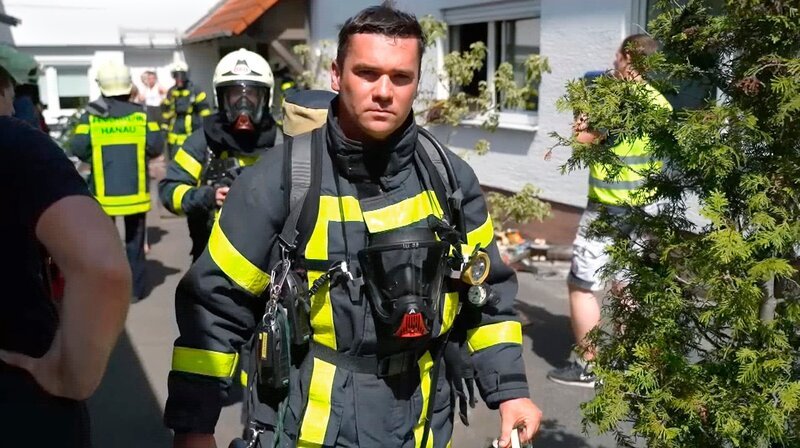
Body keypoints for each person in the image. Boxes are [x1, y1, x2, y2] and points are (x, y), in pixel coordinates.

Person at [163, 4, 541, 448]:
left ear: (417, 82)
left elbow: (486, 297)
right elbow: (214, 306)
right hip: (304, 429)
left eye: (400, 77)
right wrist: (194, 427)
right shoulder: (280, 180)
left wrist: (512, 391)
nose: (384, 91)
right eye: (367, 73)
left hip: (421, 428)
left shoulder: (449, 179)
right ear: (336, 76)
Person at [0, 63, 131, 447]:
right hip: (18, 401)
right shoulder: (12, 143)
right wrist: (69, 378)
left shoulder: (91, 117)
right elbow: (102, 268)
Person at [546, 34, 673, 388]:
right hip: (645, 208)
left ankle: (589, 369)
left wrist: (582, 114)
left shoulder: (616, 103)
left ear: (627, 58)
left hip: (609, 209)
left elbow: (582, 142)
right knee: (626, 284)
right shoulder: (659, 102)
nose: (612, 61)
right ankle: (632, 362)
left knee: (581, 284)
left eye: (617, 55)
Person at [158, 48, 279, 262]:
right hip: (211, 265)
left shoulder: (281, 142)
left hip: (270, 266)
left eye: (251, 95)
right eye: (235, 95)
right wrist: (208, 196)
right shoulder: (202, 142)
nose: (243, 105)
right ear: (221, 98)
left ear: (265, 98)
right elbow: (169, 191)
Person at [68, 60, 164, 300]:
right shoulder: (142, 115)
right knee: (135, 246)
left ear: (101, 86)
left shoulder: (91, 116)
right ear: (128, 86)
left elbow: (78, 147)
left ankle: (107, 291)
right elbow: (155, 146)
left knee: (105, 246)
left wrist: (100, 158)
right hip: (136, 195)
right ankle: (135, 292)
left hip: (104, 195)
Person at [162, 61, 212, 159]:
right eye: (176, 76)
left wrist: (205, 131)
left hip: (191, 131)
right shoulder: (171, 92)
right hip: (174, 136)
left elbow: (205, 112)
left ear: (186, 75)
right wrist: (164, 128)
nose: (179, 79)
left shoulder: (195, 91)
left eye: (181, 75)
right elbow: (166, 112)